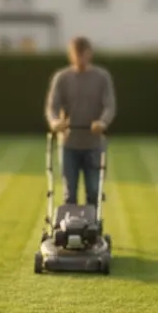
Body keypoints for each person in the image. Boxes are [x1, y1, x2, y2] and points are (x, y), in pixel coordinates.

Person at [44, 36, 116, 206]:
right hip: (69, 144)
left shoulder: (101, 77)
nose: (80, 58)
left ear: (89, 54)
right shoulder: (62, 78)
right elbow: (51, 107)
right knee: (69, 194)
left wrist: (102, 122)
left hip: (93, 143)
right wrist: (55, 123)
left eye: (83, 54)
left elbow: (109, 105)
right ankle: (71, 229)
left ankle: (92, 229)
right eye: (76, 54)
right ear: (71, 55)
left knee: (93, 191)